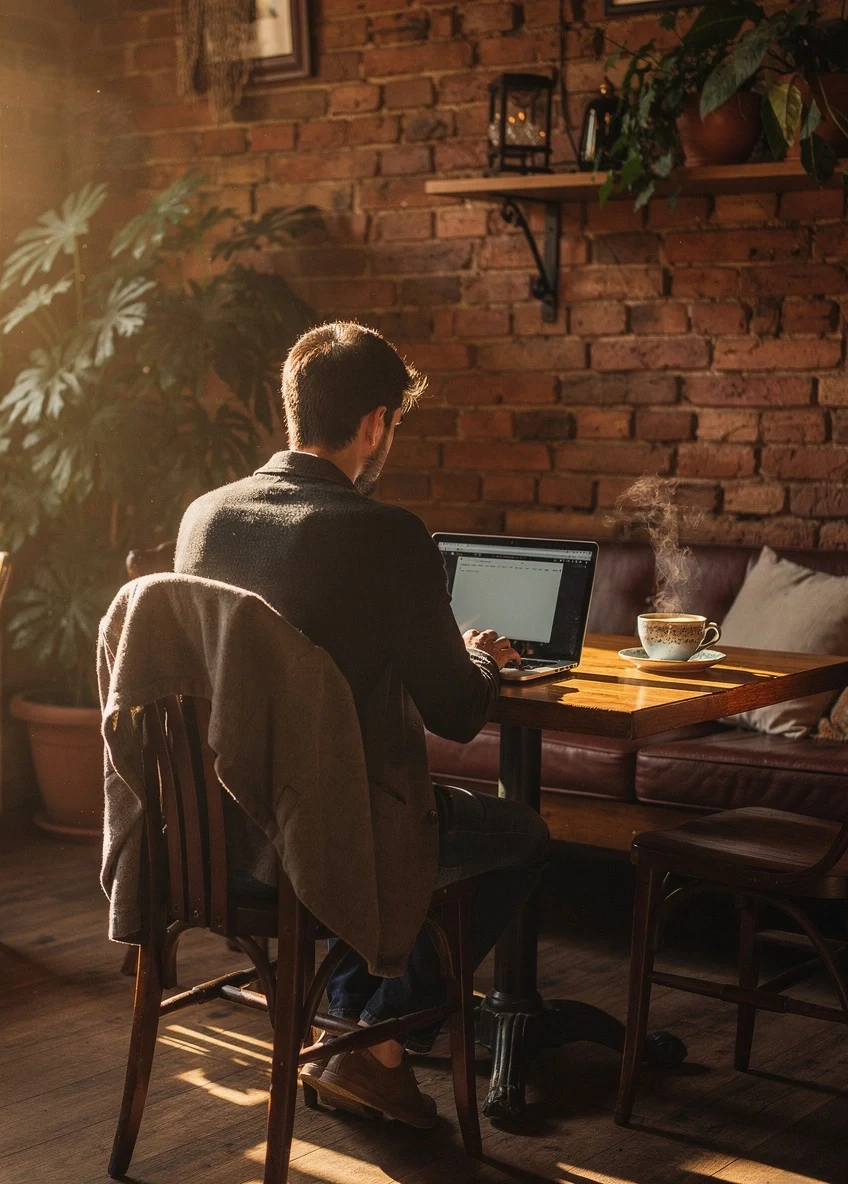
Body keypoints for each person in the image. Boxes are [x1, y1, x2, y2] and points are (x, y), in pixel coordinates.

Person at [175, 321, 550, 1129]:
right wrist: (480, 657)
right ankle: (369, 1029)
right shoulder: (384, 533)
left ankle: (354, 1022)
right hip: (327, 839)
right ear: (377, 423)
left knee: (402, 813)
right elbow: (455, 711)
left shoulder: (204, 518)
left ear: (293, 408)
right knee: (519, 834)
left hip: (217, 833)